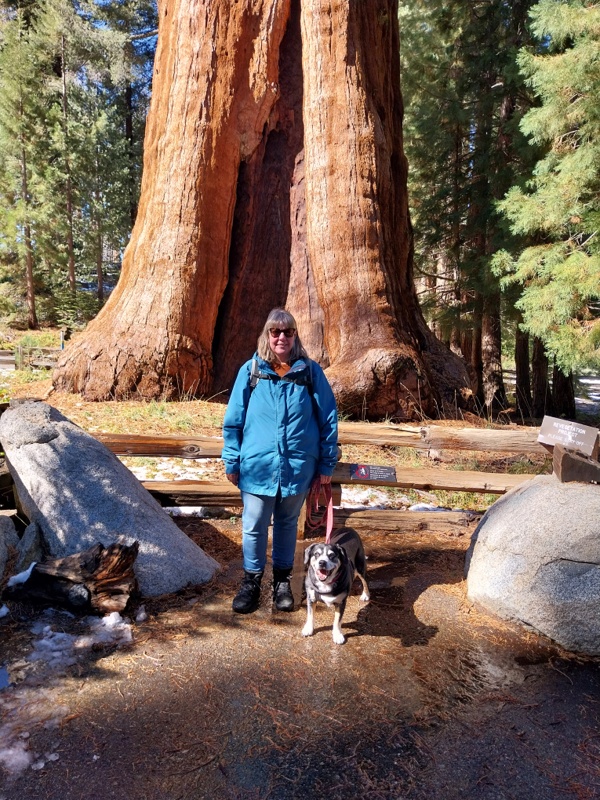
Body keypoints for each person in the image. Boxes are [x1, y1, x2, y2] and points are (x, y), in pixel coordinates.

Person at [222, 308, 338, 614]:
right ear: (267, 335)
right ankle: (251, 582)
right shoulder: (252, 371)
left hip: (297, 467)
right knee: (254, 524)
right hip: (257, 466)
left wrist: (327, 464)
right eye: (276, 332)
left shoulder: (310, 373)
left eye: (288, 332)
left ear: (295, 335)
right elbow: (233, 420)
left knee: (287, 524)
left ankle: (282, 583)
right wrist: (232, 460)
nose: (282, 337)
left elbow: (328, 419)